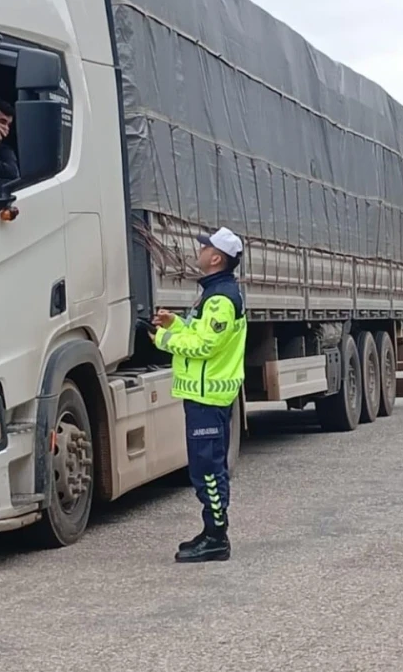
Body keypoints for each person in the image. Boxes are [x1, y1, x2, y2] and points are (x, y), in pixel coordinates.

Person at [151, 226, 247, 563]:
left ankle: (218, 538)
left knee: (208, 469)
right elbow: (197, 331)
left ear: (216, 258)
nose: (200, 250)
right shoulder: (213, 293)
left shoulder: (220, 299)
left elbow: (206, 345)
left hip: (209, 397)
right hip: (202, 396)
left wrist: (163, 340)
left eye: (205, 247)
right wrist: (174, 324)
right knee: (205, 467)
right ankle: (211, 531)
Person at [0, 98, 19, 180]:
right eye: (1, 122)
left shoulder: (3, 149)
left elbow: (12, 172)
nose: (6, 129)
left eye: (8, 125)